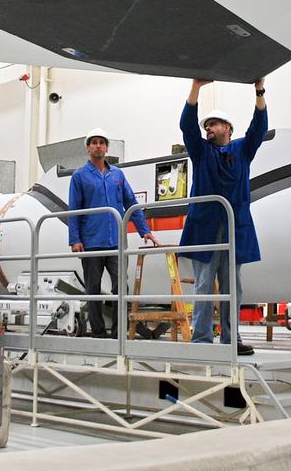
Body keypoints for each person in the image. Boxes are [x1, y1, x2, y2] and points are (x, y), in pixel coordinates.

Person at [179, 77, 268, 356]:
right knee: (204, 284)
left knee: (232, 286)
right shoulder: (201, 152)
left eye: (213, 124)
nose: (207, 128)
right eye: (206, 125)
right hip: (205, 228)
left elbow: (259, 128)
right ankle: (202, 340)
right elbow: (186, 126)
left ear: (227, 128)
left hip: (234, 228)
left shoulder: (242, 150)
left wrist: (259, 91)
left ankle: (231, 339)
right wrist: (196, 87)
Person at [69, 128, 159, 338]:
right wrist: (75, 239)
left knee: (121, 287)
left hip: (117, 242)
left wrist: (144, 230)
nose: (98, 146)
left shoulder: (117, 175)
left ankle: (119, 332)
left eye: (102, 142)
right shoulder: (79, 176)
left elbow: (131, 203)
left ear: (107, 148)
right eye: (94, 142)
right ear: (88, 148)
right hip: (91, 242)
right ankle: (98, 332)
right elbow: (74, 208)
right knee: (93, 288)